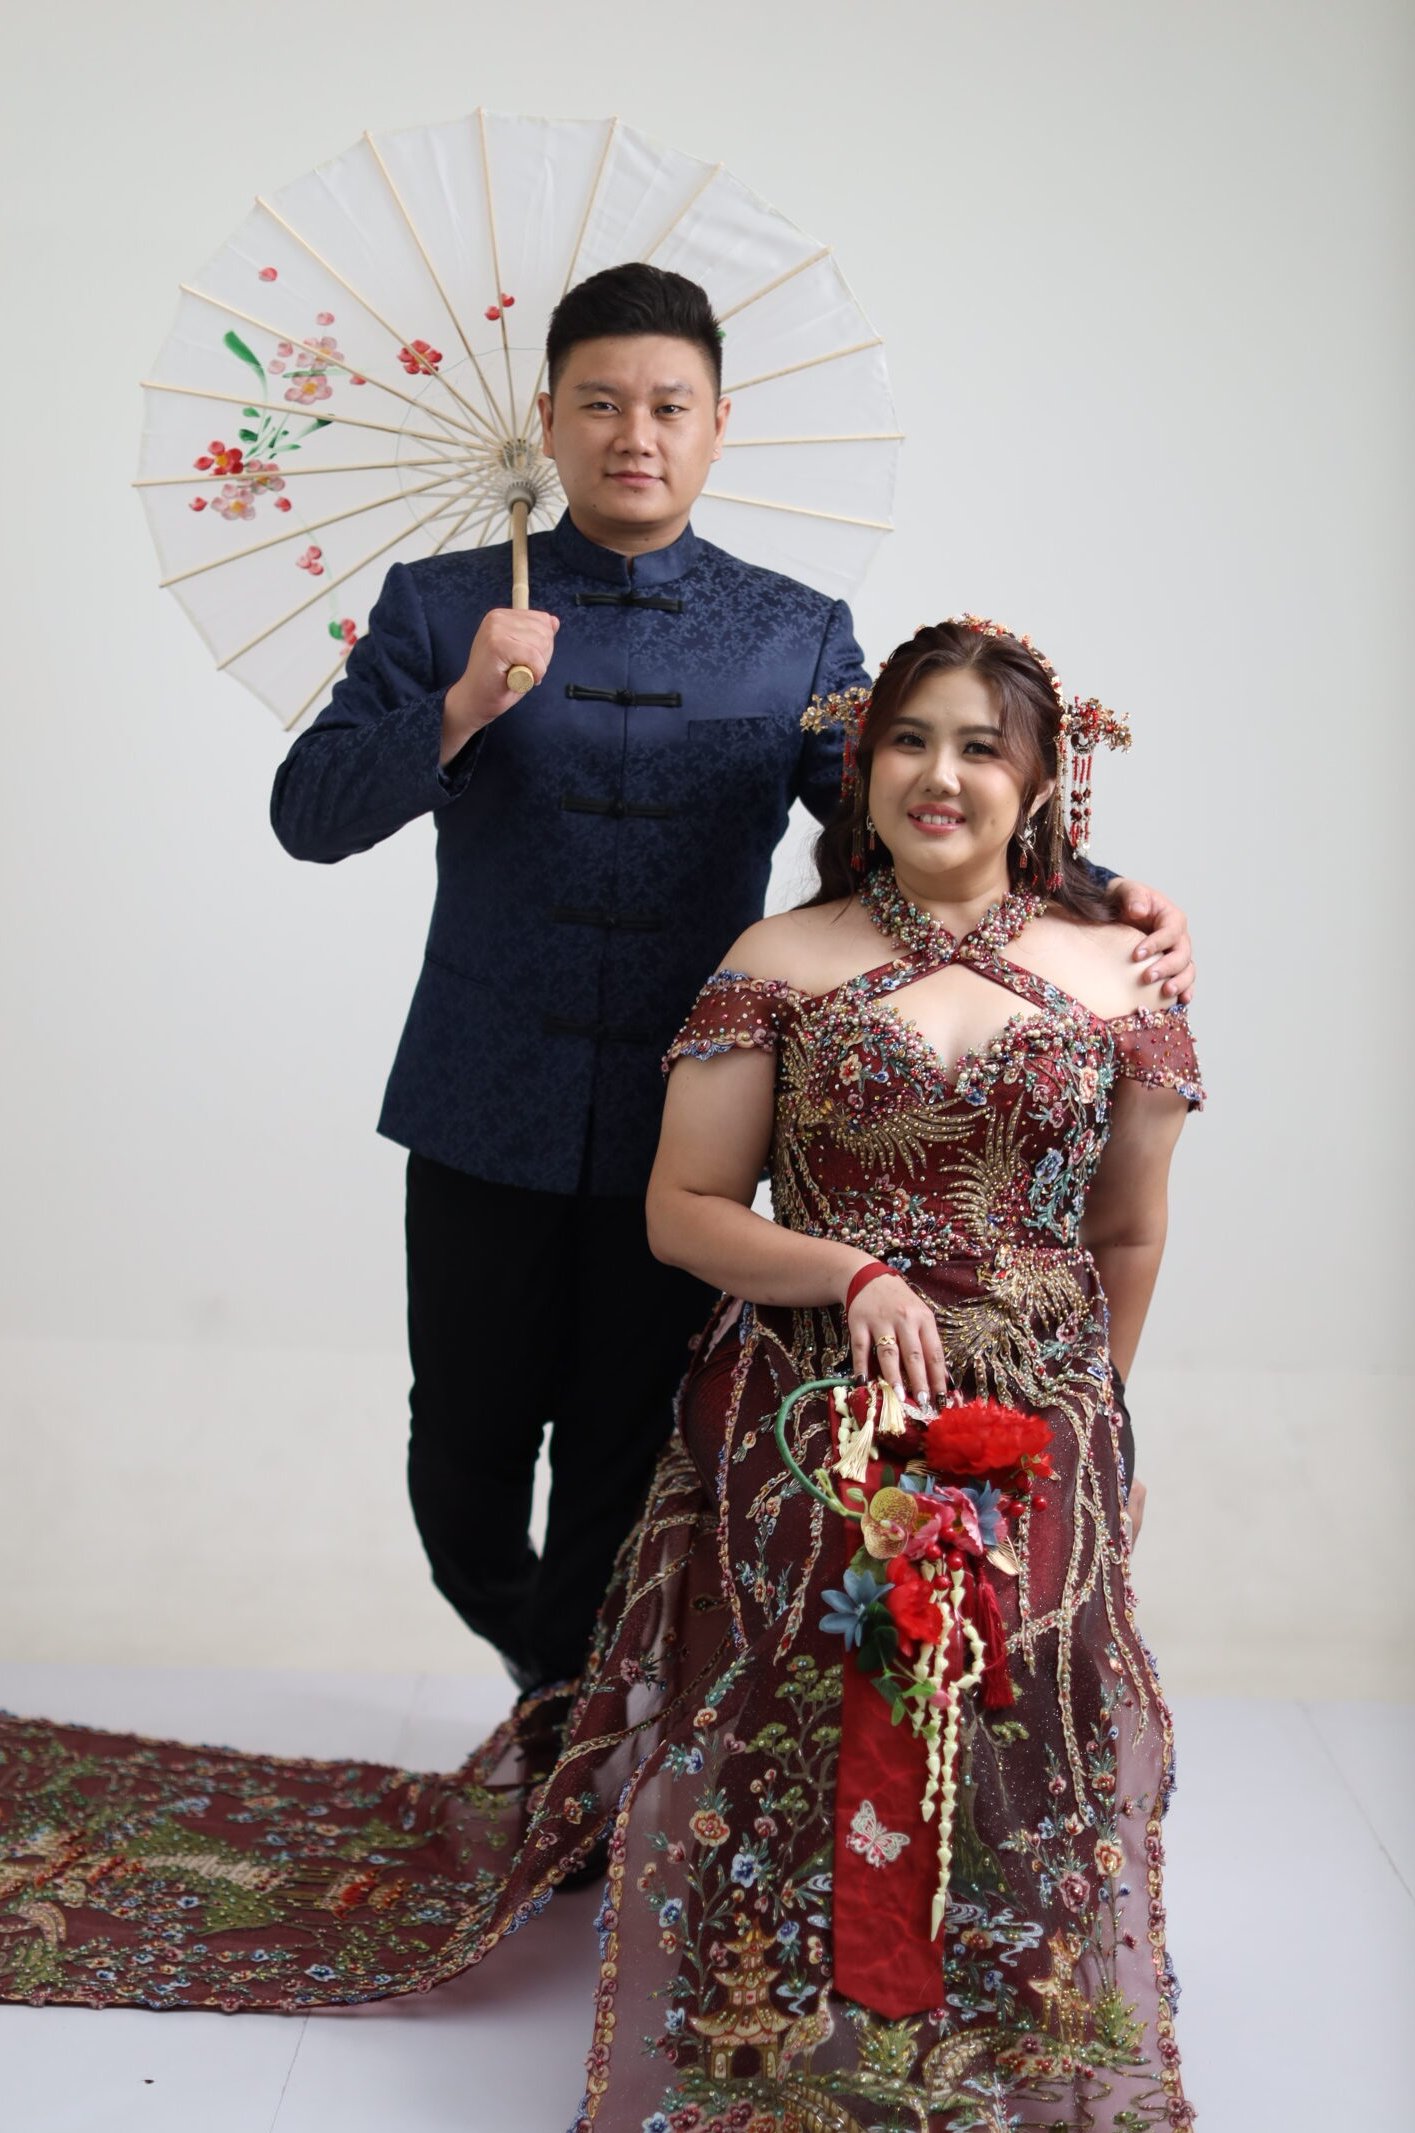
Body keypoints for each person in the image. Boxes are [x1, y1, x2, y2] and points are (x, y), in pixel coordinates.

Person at [0, 617, 1254, 2133]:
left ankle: (994, 2009)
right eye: (907, 740)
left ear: (1040, 783)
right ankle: (796, 2007)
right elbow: (685, 1213)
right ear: (862, 767)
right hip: (812, 1380)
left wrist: (1101, 1422)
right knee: (837, 1642)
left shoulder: (1123, 973)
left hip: (1034, 1387)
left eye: (979, 748)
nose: (938, 776)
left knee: (1023, 1667)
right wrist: (854, 1275)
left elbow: (1129, 1233)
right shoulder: (778, 958)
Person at [269, 263, 1195, 1693]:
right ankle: (554, 1674)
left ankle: (564, 1732)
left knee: (624, 1456)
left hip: (695, 1114)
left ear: (715, 427)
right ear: (549, 420)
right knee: (459, 1470)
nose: (634, 434)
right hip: (479, 1100)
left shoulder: (792, 630)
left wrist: (1104, 890)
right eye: (600, 403)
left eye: (669, 405)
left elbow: (905, 811)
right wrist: (458, 706)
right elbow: (308, 815)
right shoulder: (444, 607)